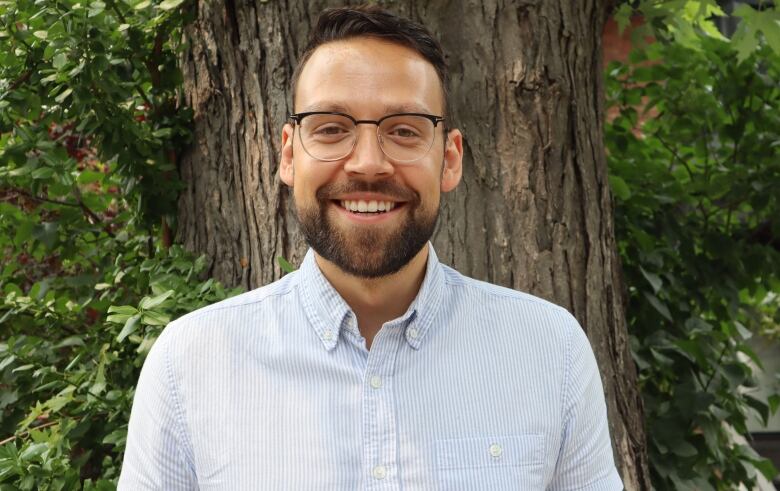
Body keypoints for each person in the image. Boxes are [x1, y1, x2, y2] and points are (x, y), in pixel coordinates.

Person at [119, 6, 624, 490]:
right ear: (289, 154)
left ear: (449, 160)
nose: (366, 163)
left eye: (404, 131)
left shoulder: (548, 351)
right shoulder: (190, 364)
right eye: (332, 128)